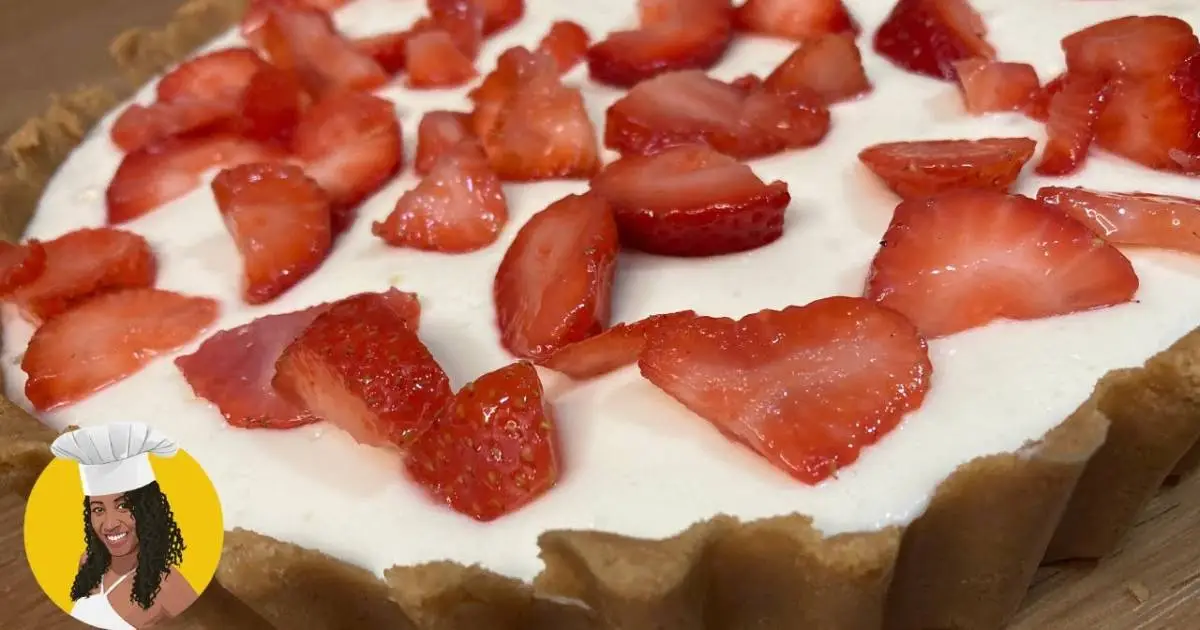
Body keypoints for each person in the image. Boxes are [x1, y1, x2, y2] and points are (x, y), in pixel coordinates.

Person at [51, 423, 199, 629]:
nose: (110, 524)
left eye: (123, 506)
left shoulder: (168, 583)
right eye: (98, 509)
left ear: (148, 512)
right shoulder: (88, 562)